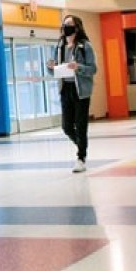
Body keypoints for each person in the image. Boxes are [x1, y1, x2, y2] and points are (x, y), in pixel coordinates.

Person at [47, 14, 97, 173]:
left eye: (68, 24)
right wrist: (51, 68)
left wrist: (79, 67)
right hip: (65, 89)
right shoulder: (59, 46)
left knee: (81, 125)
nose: (65, 27)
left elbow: (93, 69)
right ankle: (82, 144)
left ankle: (81, 157)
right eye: (64, 24)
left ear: (76, 27)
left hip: (80, 90)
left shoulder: (85, 46)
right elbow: (54, 71)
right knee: (66, 126)